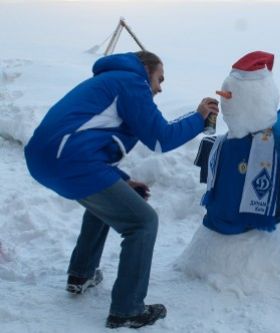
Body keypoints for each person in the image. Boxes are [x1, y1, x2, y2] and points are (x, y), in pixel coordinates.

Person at [24, 50, 219, 329]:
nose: (160, 88)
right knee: (143, 222)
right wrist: (199, 116)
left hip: (48, 158)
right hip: (70, 159)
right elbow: (161, 138)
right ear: (146, 69)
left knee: (111, 199)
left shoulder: (111, 82)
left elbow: (89, 139)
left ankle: (81, 275)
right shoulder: (131, 82)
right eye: (159, 79)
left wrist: (120, 180)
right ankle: (127, 310)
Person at [175, 52, 280, 285]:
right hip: (244, 231)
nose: (226, 104)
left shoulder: (220, 145)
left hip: (220, 228)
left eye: (230, 98)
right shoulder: (276, 146)